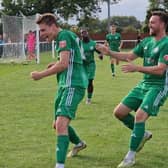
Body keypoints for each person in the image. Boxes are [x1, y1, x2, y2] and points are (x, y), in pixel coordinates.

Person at [96, 10, 168, 168]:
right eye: (149, 22)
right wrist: (109, 52)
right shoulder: (147, 42)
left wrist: (137, 68)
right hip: (143, 85)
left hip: (158, 86)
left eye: (153, 22)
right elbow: (129, 56)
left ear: (162, 24)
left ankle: (130, 157)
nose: (149, 24)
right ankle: (142, 134)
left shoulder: (166, 44)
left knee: (140, 116)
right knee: (119, 112)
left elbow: (161, 70)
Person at [31, 13, 88, 168]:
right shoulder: (62, 37)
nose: (42, 35)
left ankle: (59, 165)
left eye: (43, 30)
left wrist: (40, 75)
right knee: (57, 124)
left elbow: (64, 65)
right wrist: (54, 63)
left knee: (61, 124)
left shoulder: (63, 35)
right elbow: (68, 60)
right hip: (65, 84)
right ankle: (79, 143)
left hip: (73, 85)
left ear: (53, 25)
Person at [80, 28, 103, 104]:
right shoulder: (79, 44)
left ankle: (89, 98)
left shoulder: (93, 43)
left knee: (90, 81)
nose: (84, 34)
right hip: (82, 65)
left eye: (85, 33)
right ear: (81, 35)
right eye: (82, 33)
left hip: (91, 65)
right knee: (82, 82)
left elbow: (99, 52)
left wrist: (100, 55)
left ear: (87, 34)